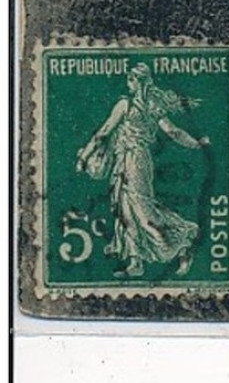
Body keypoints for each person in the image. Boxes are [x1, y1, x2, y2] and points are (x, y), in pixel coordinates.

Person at [74, 63, 209, 278]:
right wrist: (197, 143)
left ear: (136, 82)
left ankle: (183, 241)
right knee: (125, 209)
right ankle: (135, 261)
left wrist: (84, 156)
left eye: (130, 79)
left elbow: (103, 132)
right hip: (129, 160)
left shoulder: (126, 105)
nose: (128, 83)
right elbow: (173, 132)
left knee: (143, 212)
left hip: (135, 161)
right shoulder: (152, 105)